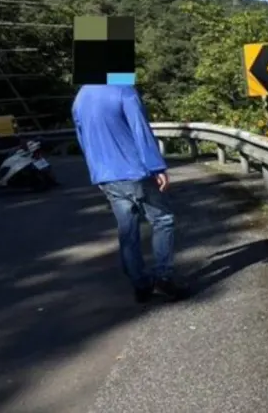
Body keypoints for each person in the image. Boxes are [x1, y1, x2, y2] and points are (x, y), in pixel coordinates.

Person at [72, 85, 189, 303]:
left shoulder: (81, 96)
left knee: (128, 230)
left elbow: (83, 139)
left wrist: (96, 172)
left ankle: (140, 284)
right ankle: (164, 277)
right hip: (136, 171)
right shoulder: (123, 90)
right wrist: (156, 167)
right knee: (162, 219)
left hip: (107, 176)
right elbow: (140, 129)